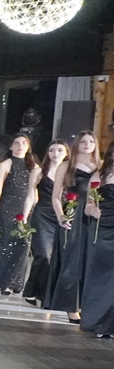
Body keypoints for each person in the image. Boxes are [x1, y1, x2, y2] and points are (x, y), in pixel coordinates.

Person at [47, 130, 99, 322]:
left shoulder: (100, 166)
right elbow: (56, 196)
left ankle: (88, 305)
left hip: (95, 215)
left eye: (91, 141)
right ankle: (71, 306)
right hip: (74, 214)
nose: (87, 144)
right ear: (77, 143)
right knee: (73, 261)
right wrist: (61, 216)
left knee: (91, 261)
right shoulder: (66, 165)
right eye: (83, 141)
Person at [23, 139, 67, 305]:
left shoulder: (70, 172)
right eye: (52, 150)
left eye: (60, 150)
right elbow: (30, 195)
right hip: (42, 215)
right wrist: (24, 216)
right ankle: (34, 291)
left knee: (56, 257)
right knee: (42, 254)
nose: (55, 154)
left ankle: (44, 294)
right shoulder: (39, 171)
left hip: (63, 215)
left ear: (66, 153)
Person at [0, 134, 33, 295]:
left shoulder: (32, 165)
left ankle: (17, 282)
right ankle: (4, 283)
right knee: (6, 245)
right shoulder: (6, 164)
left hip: (26, 209)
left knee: (23, 245)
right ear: (11, 146)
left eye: (24, 143)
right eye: (17, 143)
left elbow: (33, 190)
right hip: (8, 208)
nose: (20, 146)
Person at [79, 142, 114, 337]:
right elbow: (88, 205)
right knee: (99, 274)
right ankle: (97, 322)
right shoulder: (99, 176)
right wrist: (91, 209)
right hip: (102, 227)